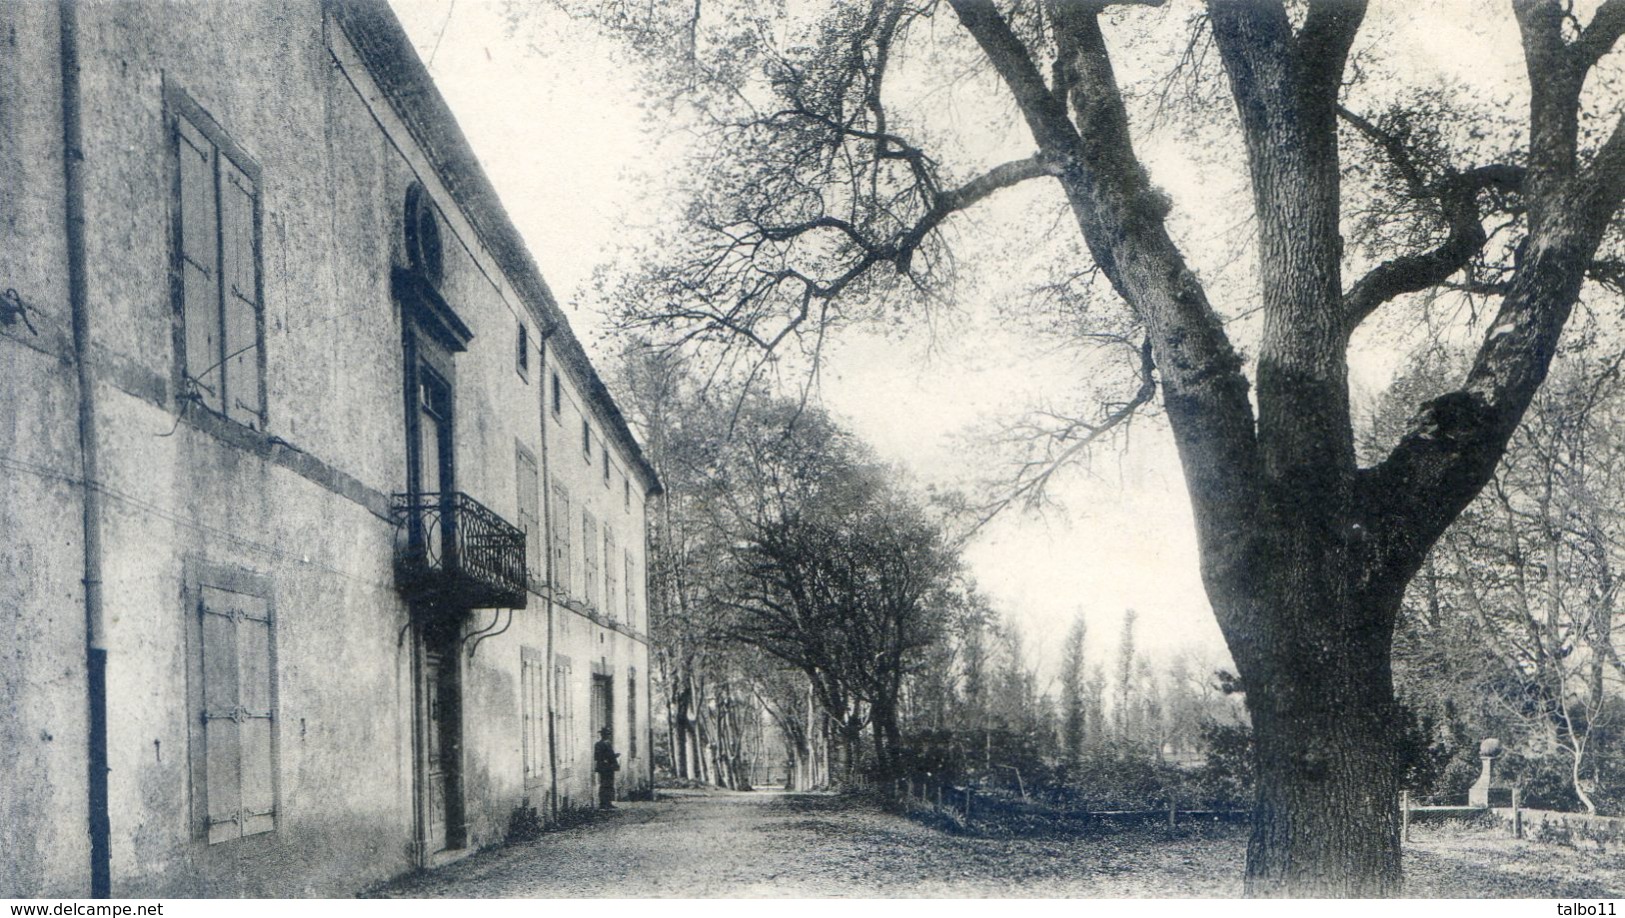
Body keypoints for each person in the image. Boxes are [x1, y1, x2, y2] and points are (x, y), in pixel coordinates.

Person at [593, 727, 620, 809]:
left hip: (610, 767)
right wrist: (608, 758)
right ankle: (603, 803)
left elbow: (610, 755)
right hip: (604, 767)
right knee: (604, 784)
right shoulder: (598, 744)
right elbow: (597, 756)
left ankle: (608, 802)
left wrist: (614, 756)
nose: (607, 736)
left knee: (610, 784)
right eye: (605, 734)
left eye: (608, 734)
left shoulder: (608, 743)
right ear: (602, 735)